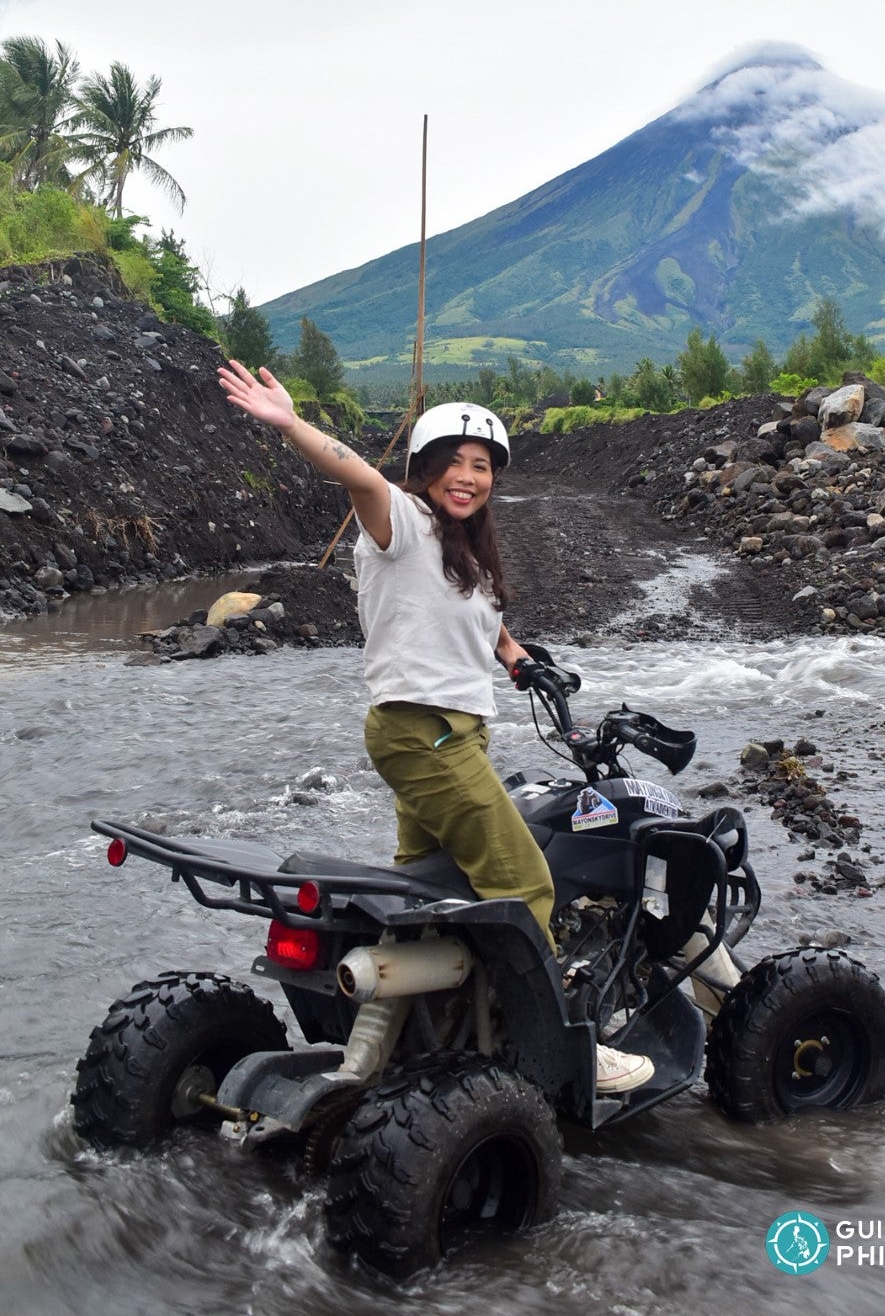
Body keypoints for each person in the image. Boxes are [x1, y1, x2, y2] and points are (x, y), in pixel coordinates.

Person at [217, 360, 653, 1095]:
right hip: (425, 734)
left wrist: (520, 661)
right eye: (452, 463)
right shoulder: (403, 522)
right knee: (522, 880)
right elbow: (356, 474)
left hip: (453, 734)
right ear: (423, 469)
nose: (467, 477)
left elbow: (479, 620)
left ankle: (429, 1040)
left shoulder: (465, 552)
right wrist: (291, 424)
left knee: (426, 894)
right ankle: (569, 1046)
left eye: (480, 466)